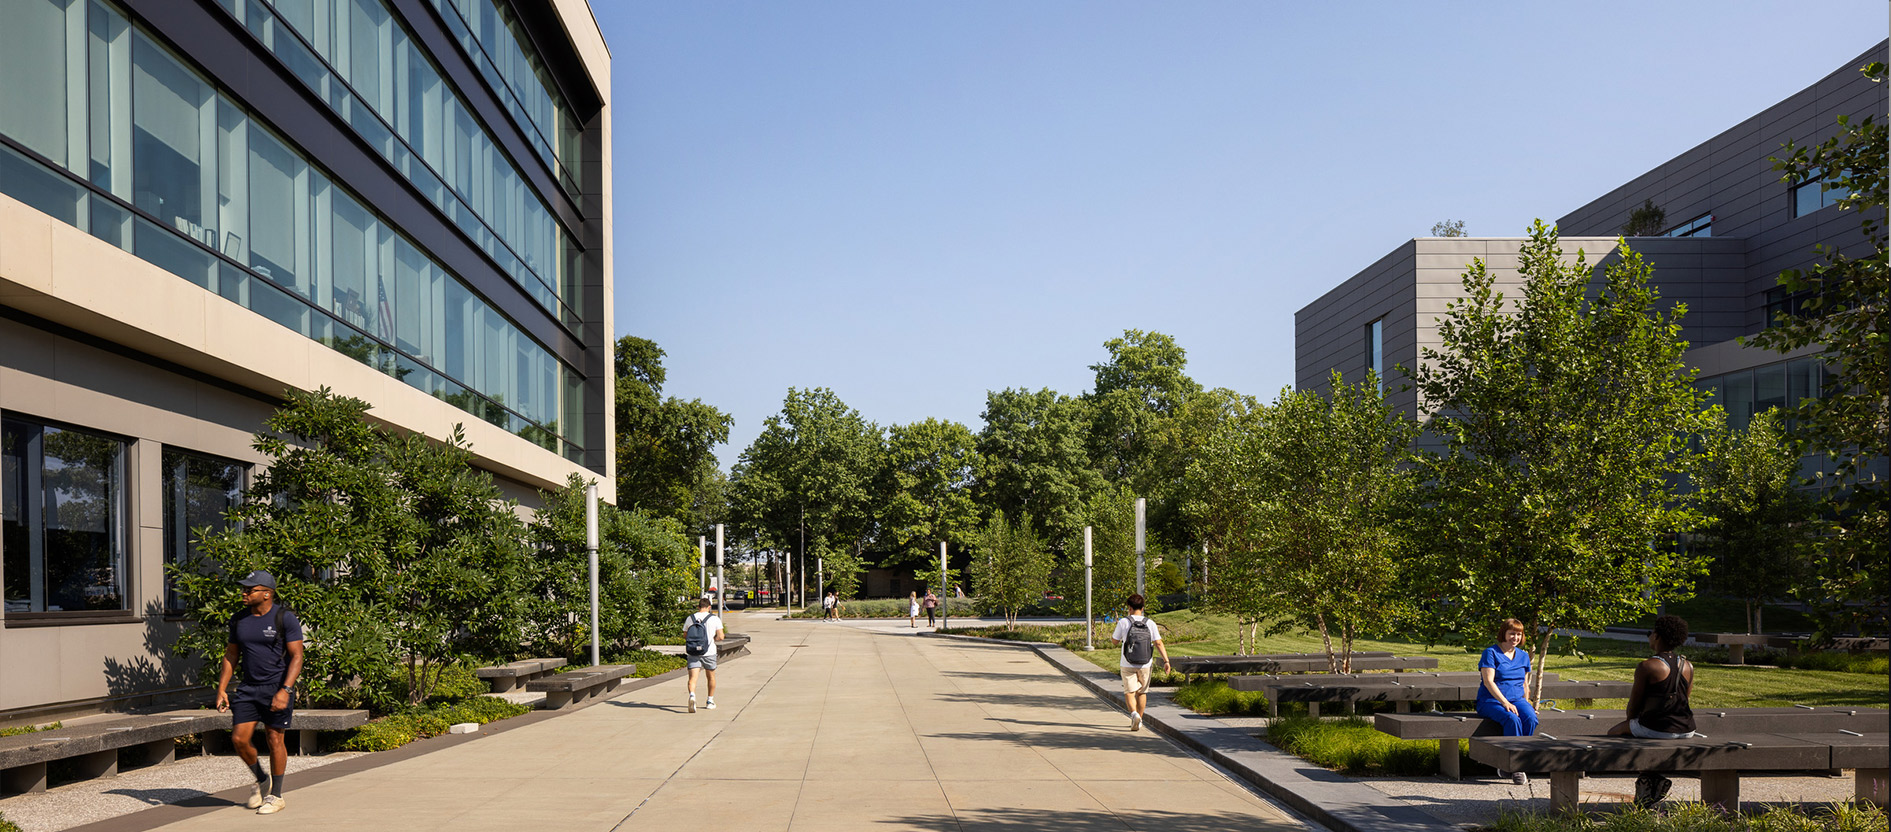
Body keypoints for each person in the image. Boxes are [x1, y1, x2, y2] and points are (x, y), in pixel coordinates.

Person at [215, 570, 303, 815]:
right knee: (239, 739)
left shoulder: (284, 618)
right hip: (248, 688)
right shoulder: (239, 619)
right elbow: (231, 654)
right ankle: (262, 779)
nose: (244, 593)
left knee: (275, 738)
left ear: (266, 593)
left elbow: (297, 657)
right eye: (244, 589)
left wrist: (285, 690)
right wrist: (222, 689)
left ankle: (276, 796)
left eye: (249, 590)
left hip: (276, 688)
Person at [1609, 614, 1700, 806]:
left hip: (1657, 728)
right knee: (1641, 731)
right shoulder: (1688, 665)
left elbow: (1633, 707)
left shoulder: (1647, 666)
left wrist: (1632, 722)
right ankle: (1653, 779)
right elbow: (1685, 701)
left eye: (1651, 633)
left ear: (1657, 636)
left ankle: (1645, 780)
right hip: (1687, 729)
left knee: (1615, 732)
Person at [1475, 618, 1537, 785]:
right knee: (1512, 718)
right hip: (1491, 701)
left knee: (1530, 718)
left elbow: (1525, 683)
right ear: (1504, 633)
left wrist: (1527, 703)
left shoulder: (1524, 656)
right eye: (1512, 634)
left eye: (1518, 634)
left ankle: (1515, 758)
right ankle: (1515, 766)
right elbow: (1488, 682)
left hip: (1517, 699)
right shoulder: (1491, 653)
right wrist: (1504, 703)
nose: (1515, 638)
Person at [1110, 594, 1171, 732]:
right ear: (1142, 608)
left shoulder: (1123, 622)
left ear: (1129, 608)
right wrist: (1166, 661)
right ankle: (1140, 720)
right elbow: (1158, 643)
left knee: (1129, 692)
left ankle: (1134, 714)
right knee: (1142, 693)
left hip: (1127, 663)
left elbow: (1114, 641)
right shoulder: (1150, 623)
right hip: (1145, 664)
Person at [682, 597, 726, 713]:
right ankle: (710, 701)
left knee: (692, 678)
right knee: (710, 677)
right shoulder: (714, 619)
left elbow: (685, 635)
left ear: (698, 607)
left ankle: (692, 695)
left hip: (693, 652)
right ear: (709, 607)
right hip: (709, 652)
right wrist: (712, 639)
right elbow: (721, 637)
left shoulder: (690, 618)